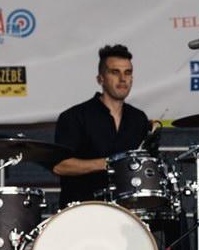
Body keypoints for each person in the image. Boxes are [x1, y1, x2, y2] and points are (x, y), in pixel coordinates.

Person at [52, 44, 151, 208]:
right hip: (83, 209)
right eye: (115, 72)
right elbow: (60, 166)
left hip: (127, 210)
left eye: (128, 72)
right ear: (100, 79)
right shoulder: (74, 116)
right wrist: (109, 163)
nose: (123, 79)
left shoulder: (139, 119)